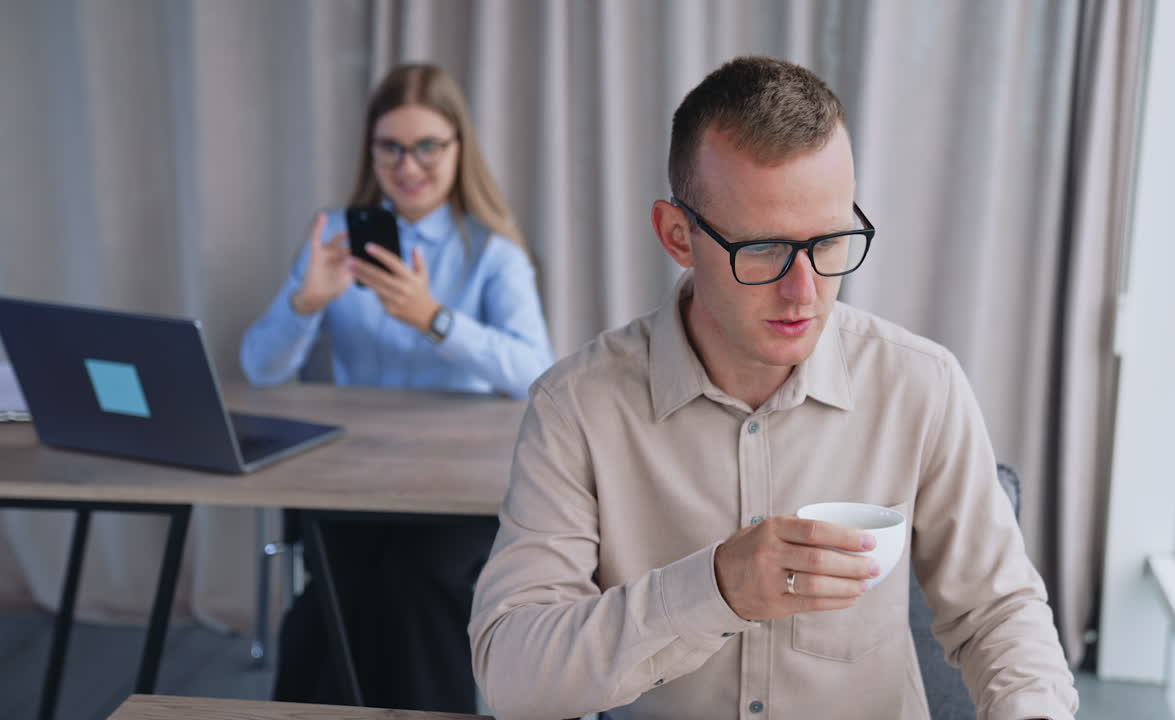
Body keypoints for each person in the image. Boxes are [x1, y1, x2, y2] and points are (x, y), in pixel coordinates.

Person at [469, 56, 1078, 720]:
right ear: (678, 236)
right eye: (761, 248)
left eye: (829, 241)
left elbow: (999, 612)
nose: (804, 290)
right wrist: (715, 588)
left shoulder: (920, 385)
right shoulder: (577, 407)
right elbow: (512, 675)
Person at [241, 63, 552, 712]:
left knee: (419, 587)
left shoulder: (491, 252)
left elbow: (535, 374)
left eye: (427, 146)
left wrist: (434, 320)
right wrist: (305, 303)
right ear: (371, 150)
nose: (408, 165)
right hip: (358, 477)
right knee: (330, 597)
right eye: (391, 147)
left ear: (458, 148)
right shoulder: (333, 236)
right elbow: (260, 369)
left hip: (460, 484)